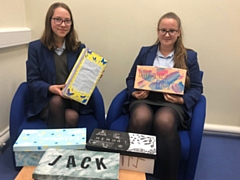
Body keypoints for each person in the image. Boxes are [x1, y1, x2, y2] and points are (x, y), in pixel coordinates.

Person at [126, 12, 203, 180]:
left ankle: (167, 175)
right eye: (163, 30)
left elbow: (197, 88)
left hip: (172, 103)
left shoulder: (190, 56)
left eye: (172, 31)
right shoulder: (145, 52)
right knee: (140, 117)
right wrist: (134, 92)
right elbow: (131, 78)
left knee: (164, 121)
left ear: (179, 32)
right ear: (157, 31)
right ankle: (134, 173)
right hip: (144, 98)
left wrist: (181, 99)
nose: (167, 35)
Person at [27, 2, 91, 128]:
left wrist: (92, 77)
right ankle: (58, 147)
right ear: (49, 21)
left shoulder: (79, 48)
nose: (63, 25)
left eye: (67, 21)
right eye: (58, 20)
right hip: (47, 99)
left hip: (71, 99)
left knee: (70, 114)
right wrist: (51, 88)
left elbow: (82, 80)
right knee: (70, 116)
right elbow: (32, 80)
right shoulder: (35, 48)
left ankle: (53, 146)